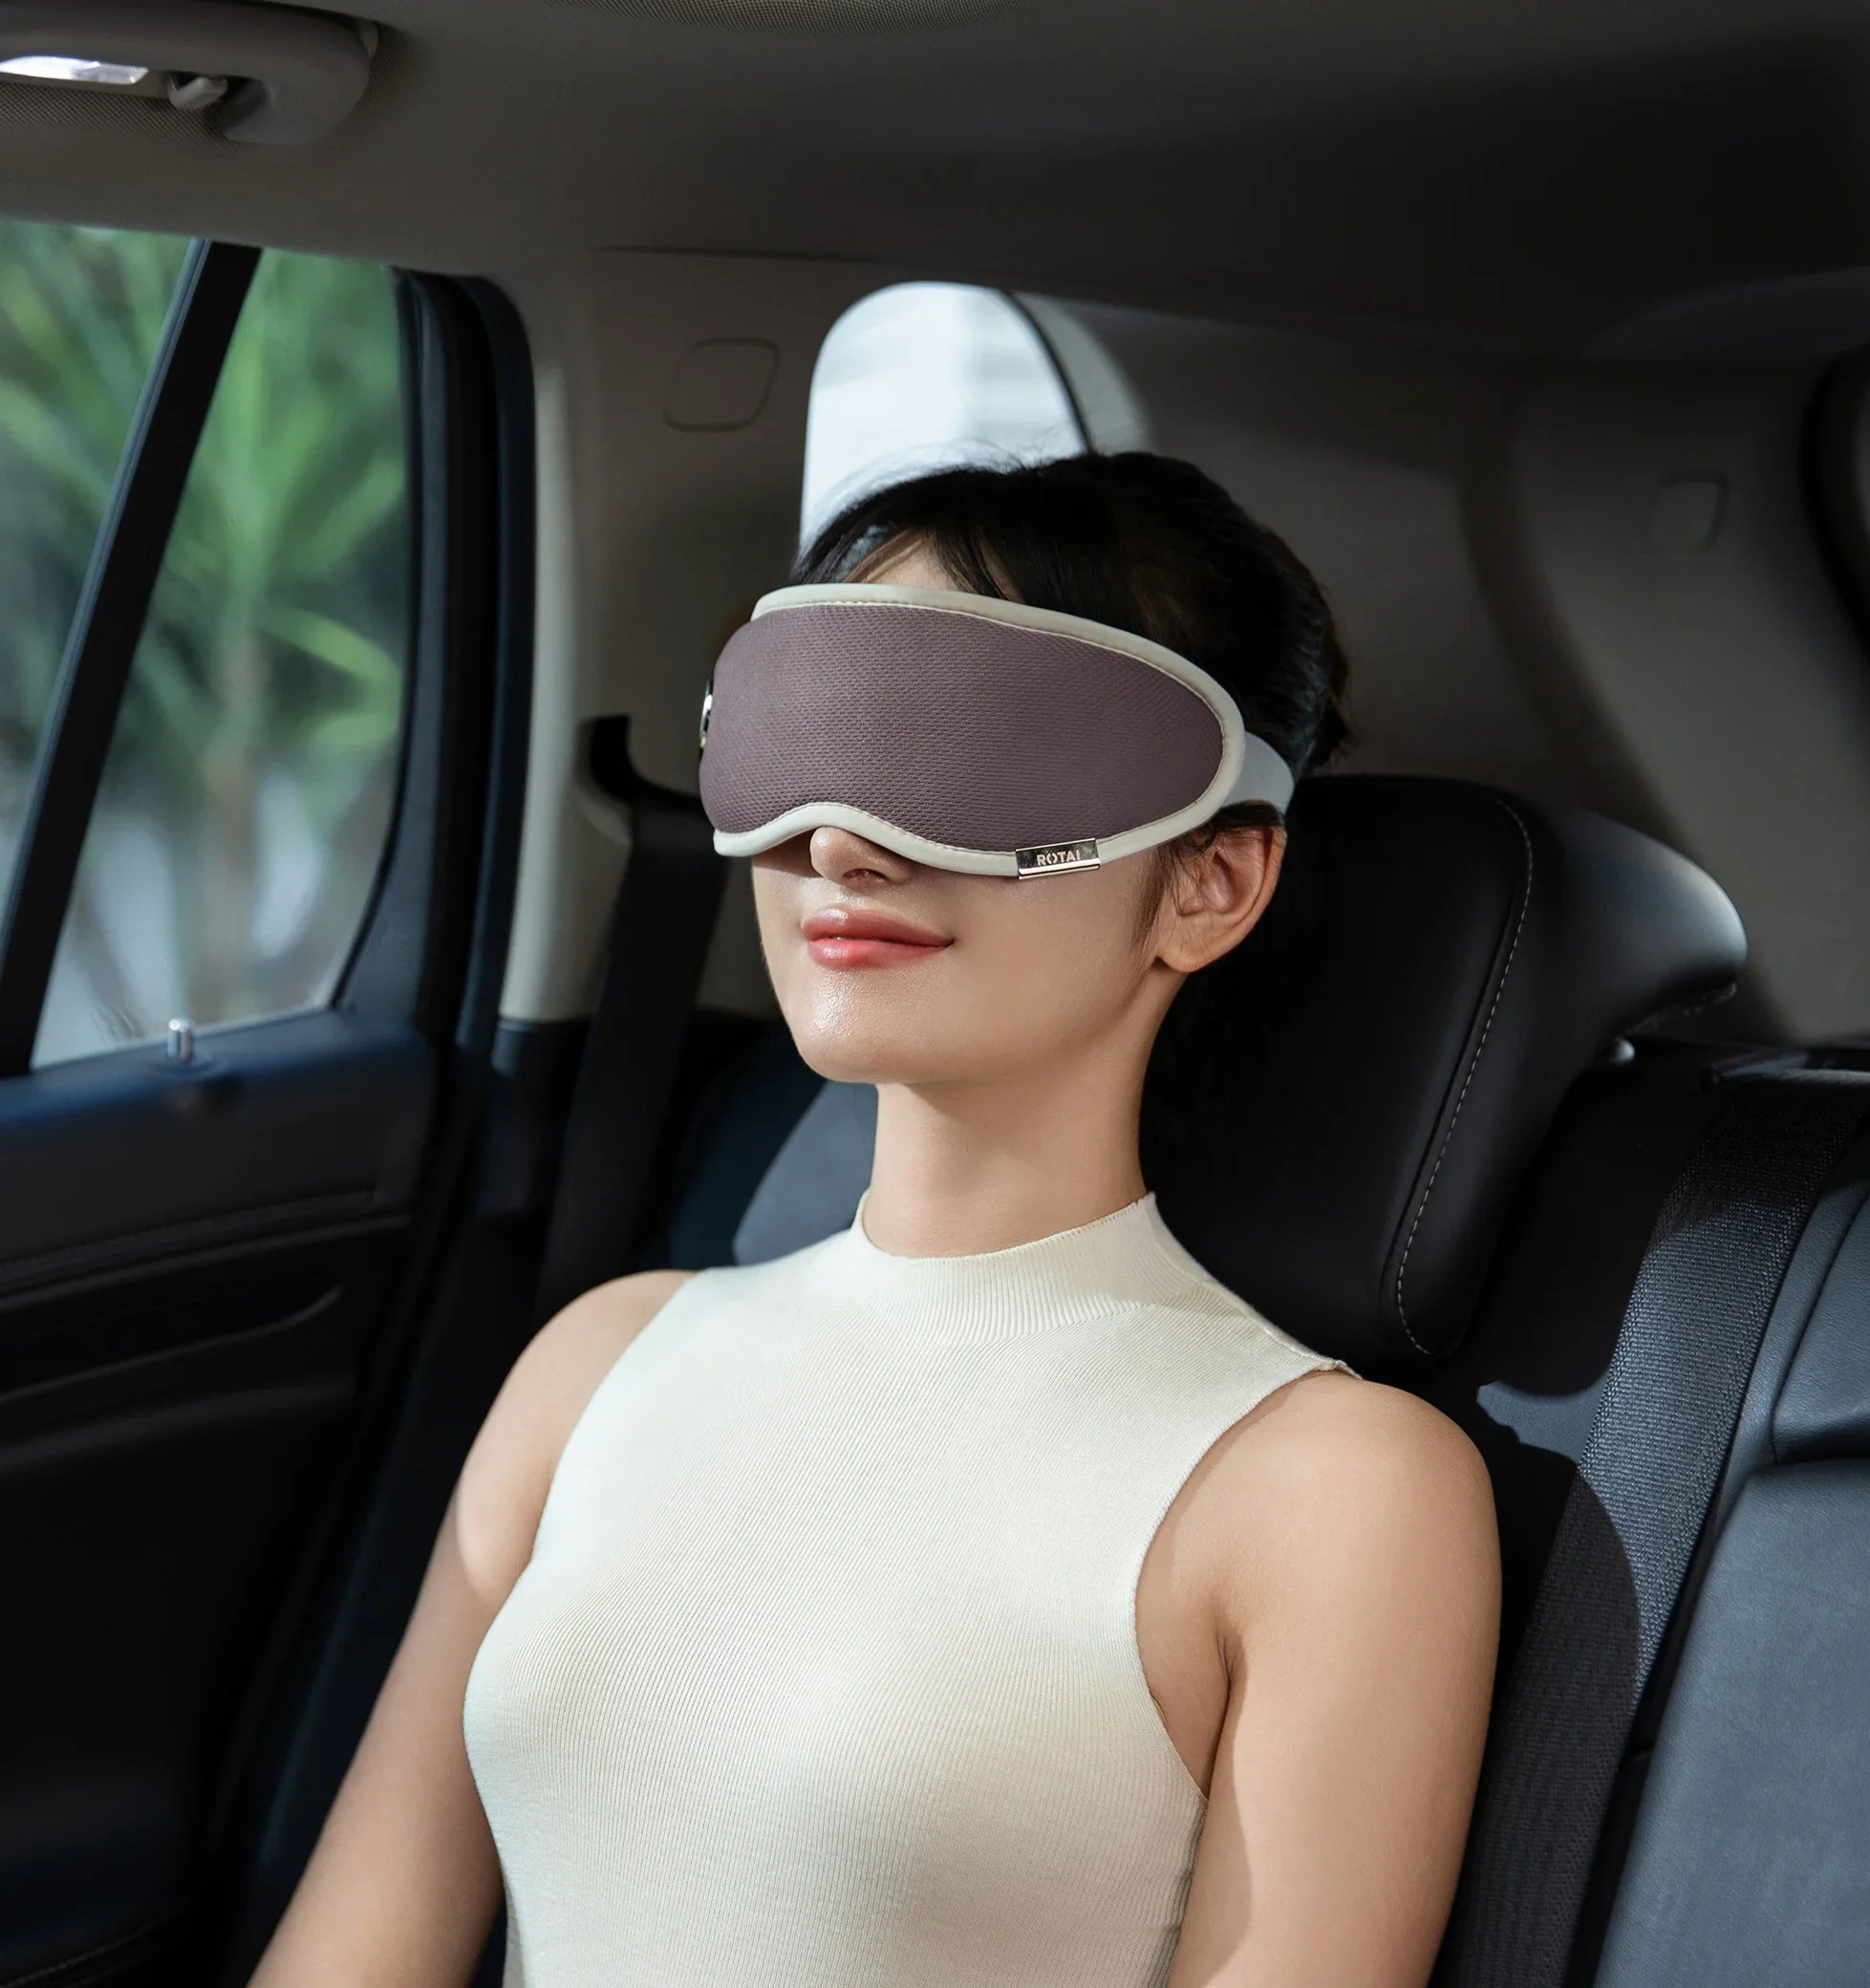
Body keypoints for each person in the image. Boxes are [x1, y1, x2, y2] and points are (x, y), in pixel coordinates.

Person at [247, 450, 1499, 1988]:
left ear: (1210, 883)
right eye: (808, 737)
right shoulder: (598, 1363)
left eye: (972, 752)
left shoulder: (1330, 1491)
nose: (842, 840)